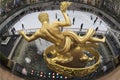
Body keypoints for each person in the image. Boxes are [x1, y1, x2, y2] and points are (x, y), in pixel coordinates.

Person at [19, 2, 105, 63]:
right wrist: (63, 12)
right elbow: (69, 23)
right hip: (67, 41)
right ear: (47, 18)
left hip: (61, 48)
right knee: (82, 39)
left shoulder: (38, 32)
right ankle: (101, 40)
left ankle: (97, 43)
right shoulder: (54, 23)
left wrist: (23, 33)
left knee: (80, 41)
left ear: (40, 20)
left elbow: (29, 39)